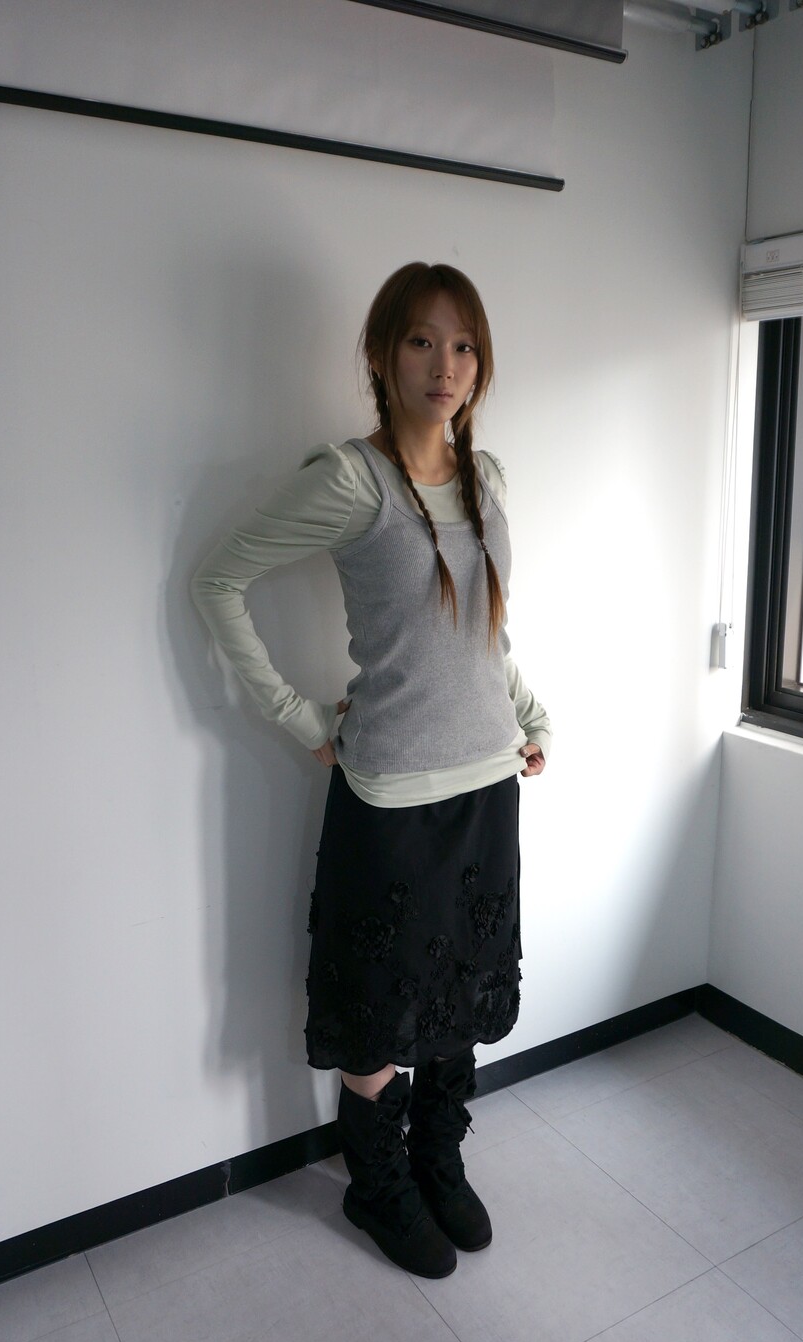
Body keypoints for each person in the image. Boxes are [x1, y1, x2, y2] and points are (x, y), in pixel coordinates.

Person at [191, 262, 550, 1280]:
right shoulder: (353, 481)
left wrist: (526, 714)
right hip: (390, 798)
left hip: (486, 786)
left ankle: (438, 1157)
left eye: (464, 344)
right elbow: (217, 580)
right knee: (381, 1007)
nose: (446, 364)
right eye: (422, 341)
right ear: (383, 355)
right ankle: (377, 1182)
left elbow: (482, 634)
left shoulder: (488, 479)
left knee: (460, 988)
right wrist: (295, 714)